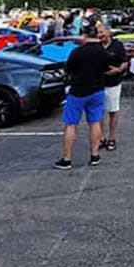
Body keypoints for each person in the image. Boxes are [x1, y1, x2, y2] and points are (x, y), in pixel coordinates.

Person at [54, 22, 108, 169]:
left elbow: (68, 70)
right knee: (95, 122)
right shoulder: (102, 51)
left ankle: (67, 159)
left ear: (84, 35)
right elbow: (107, 68)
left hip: (78, 91)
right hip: (97, 90)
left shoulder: (77, 52)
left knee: (71, 125)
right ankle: (95, 155)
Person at [97, 23, 127, 151]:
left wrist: (119, 69)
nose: (100, 35)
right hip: (98, 83)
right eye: (98, 33)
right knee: (99, 112)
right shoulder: (96, 46)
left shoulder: (117, 45)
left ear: (108, 32)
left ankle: (112, 138)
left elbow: (125, 61)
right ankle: (101, 137)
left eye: (102, 32)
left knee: (113, 111)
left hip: (113, 82)